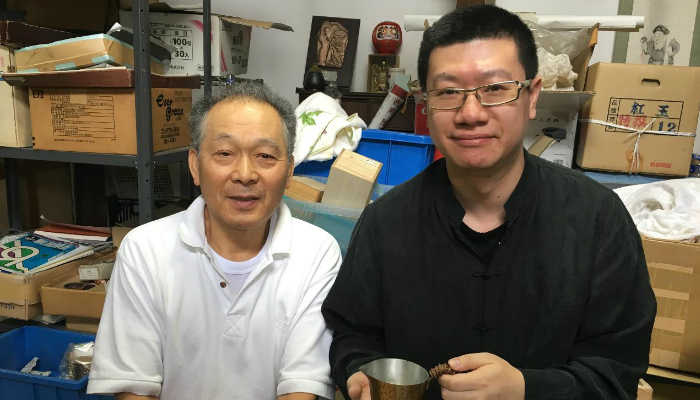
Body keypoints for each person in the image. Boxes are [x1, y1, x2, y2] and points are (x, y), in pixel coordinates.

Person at [322, 5, 656, 400]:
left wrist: (526, 389)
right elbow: (352, 334)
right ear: (425, 103)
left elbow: (617, 373)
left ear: (532, 96)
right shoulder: (385, 222)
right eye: (448, 92)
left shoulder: (598, 220)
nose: (471, 113)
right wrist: (358, 372)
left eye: (495, 89)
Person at [88, 81, 342, 400]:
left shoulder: (317, 252)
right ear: (195, 165)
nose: (245, 174)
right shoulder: (145, 250)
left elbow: (302, 386)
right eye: (224, 153)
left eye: (265, 155)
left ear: (289, 170)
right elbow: (133, 385)